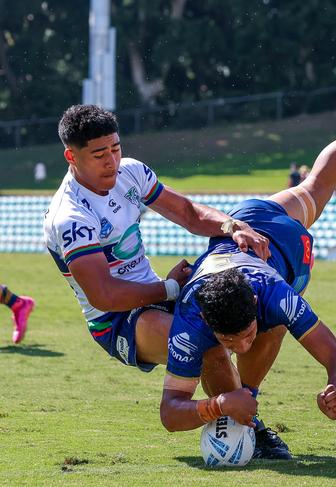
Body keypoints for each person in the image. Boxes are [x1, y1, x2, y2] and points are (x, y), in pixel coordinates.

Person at [159, 72, 336, 456]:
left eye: (246, 333)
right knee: (317, 185)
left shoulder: (276, 296)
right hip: (259, 241)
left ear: (255, 307)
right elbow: (169, 412)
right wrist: (217, 406)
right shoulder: (191, 317)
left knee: (318, 186)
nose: (242, 346)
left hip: (268, 235)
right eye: (235, 340)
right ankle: (249, 417)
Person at [44, 104, 270, 374]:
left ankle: (241, 407)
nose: (111, 162)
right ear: (71, 156)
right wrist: (170, 288)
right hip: (114, 318)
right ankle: (231, 414)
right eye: (99, 155)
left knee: (254, 317)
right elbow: (104, 296)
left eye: (115, 149)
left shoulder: (130, 172)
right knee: (204, 345)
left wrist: (232, 226)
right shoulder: (71, 217)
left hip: (157, 291)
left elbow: (188, 213)